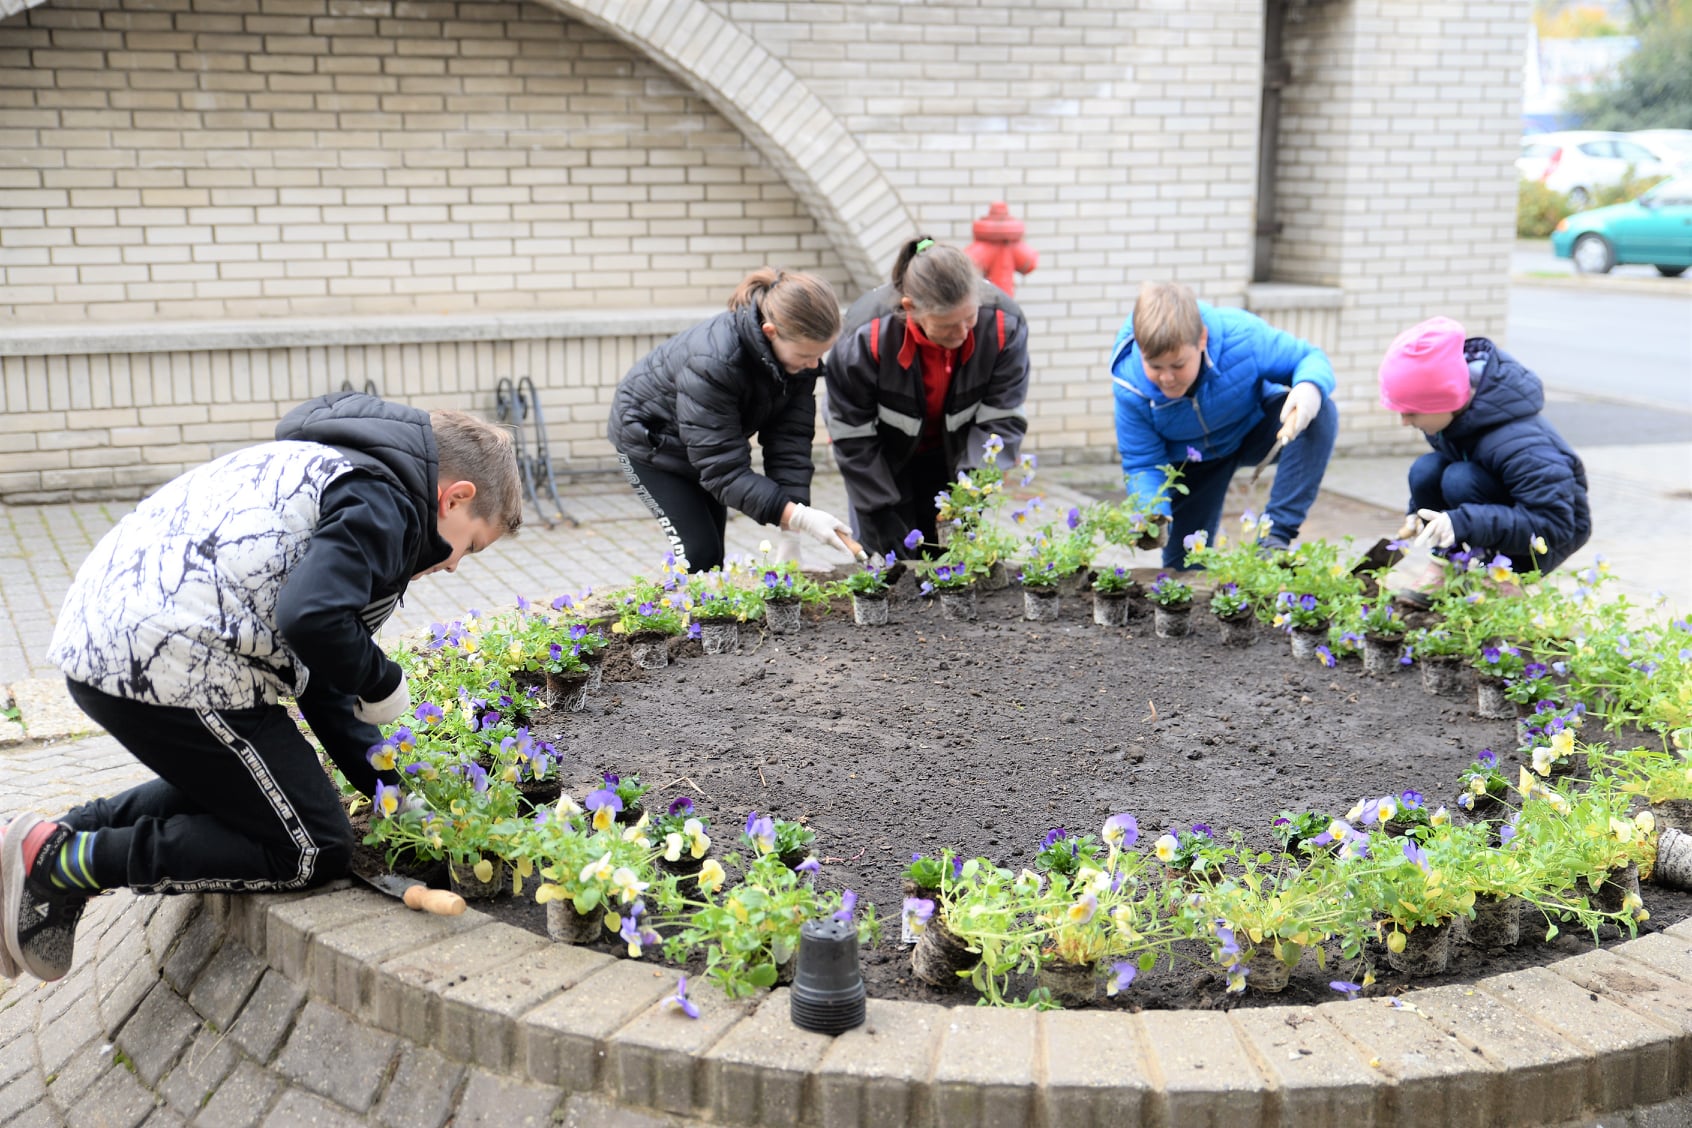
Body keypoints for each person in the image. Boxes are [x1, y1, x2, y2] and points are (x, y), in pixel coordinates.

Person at [0, 392, 523, 983]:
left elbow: (323, 672)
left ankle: (37, 846)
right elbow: (314, 620)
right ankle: (64, 865)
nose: (454, 565)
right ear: (456, 497)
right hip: (172, 655)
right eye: (470, 545)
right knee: (310, 844)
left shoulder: (342, 465)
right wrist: (385, 680)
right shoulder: (387, 504)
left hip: (116, 631)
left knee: (254, 788)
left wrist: (392, 790)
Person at [607, 267, 858, 573]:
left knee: (712, 560)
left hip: (704, 445)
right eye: (806, 355)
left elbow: (789, 443)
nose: (814, 364)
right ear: (771, 332)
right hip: (652, 445)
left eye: (820, 355)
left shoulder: (797, 364)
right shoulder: (715, 361)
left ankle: (702, 616)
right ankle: (673, 618)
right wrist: (800, 517)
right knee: (698, 555)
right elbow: (723, 472)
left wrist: (790, 535)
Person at [823, 236, 1031, 556]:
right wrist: (878, 508)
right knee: (889, 565)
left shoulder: (1004, 324)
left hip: (956, 459)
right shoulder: (866, 337)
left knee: (950, 561)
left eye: (970, 318)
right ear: (911, 308)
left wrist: (971, 493)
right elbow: (851, 431)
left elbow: (1001, 419)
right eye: (948, 325)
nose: (963, 333)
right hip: (883, 462)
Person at [1110, 282, 1338, 568]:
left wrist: (1308, 385)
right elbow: (1142, 462)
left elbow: (1309, 357)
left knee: (1320, 410)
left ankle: (1273, 539)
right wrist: (1152, 513)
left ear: (1201, 339)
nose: (1167, 378)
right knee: (1185, 570)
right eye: (1155, 366)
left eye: (1178, 365)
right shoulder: (1129, 386)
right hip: (1192, 463)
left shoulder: (1242, 337)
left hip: (1251, 429)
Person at [1380, 315, 1590, 574]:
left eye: (1411, 412)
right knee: (1427, 470)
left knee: (1460, 479)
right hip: (1499, 514)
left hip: (1547, 537)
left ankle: (1505, 578)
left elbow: (1555, 526)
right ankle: (1449, 562)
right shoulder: (1449, 421)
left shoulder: (1524, 445)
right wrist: (1420, 513)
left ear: (1445, 401)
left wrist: (1460, 522)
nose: (1404, 421)